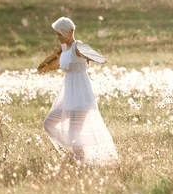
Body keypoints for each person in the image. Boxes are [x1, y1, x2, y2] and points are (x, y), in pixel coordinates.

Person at [43, 17, 118, 165]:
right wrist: (45, 67)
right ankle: (71, 153)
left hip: (81, 95)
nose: (57, 37)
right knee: (48, 123)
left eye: (60, 34)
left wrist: (89, 56)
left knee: (73, 133)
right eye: (56, 34)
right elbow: (60, 62)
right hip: (67, 93)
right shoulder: (65, 48)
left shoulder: (79, 46)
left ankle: (80, 162)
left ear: (70, 32)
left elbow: (93, 55)